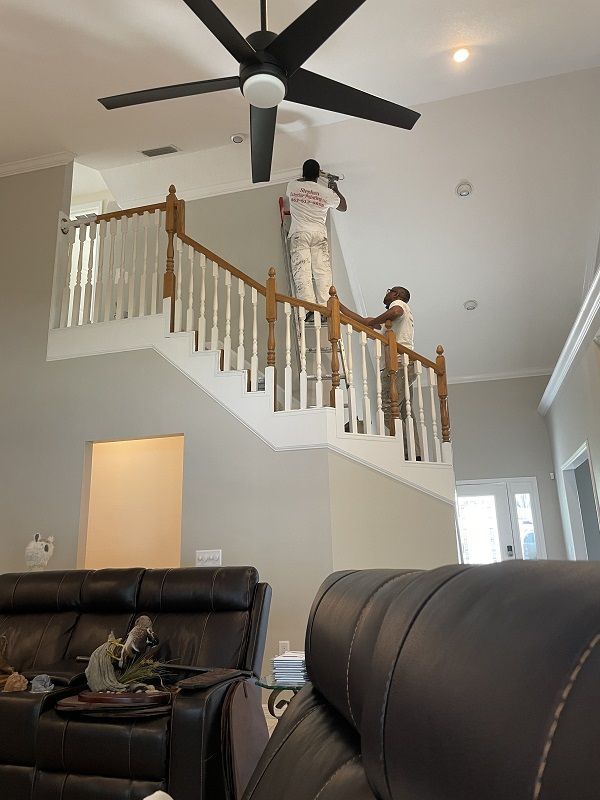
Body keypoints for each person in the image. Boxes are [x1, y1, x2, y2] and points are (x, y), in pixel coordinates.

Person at [340, 286, 421, 460]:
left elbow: (396, 311)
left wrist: (373, 321)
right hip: (406, 364)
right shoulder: (391, 324)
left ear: (396, 294)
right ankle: (416, 453)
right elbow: (364, 320)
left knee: (388, 409)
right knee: (406, 412)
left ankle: (404, 453)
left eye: (389, 291)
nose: (386, 293)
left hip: (397, 365)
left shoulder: (399, 305)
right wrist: (340, 307)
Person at [286, 159, 347, 317]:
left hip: (300, 233)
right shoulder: (326, 193)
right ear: (318, 174)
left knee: (302, 272)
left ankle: (308, 308)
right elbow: (343, 206)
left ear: (303, 172)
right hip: (319, 234)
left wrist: (311, 176)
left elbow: (301, 180)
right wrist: (334, 188)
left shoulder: (293, 185)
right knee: (322, 272)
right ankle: (326, 306)